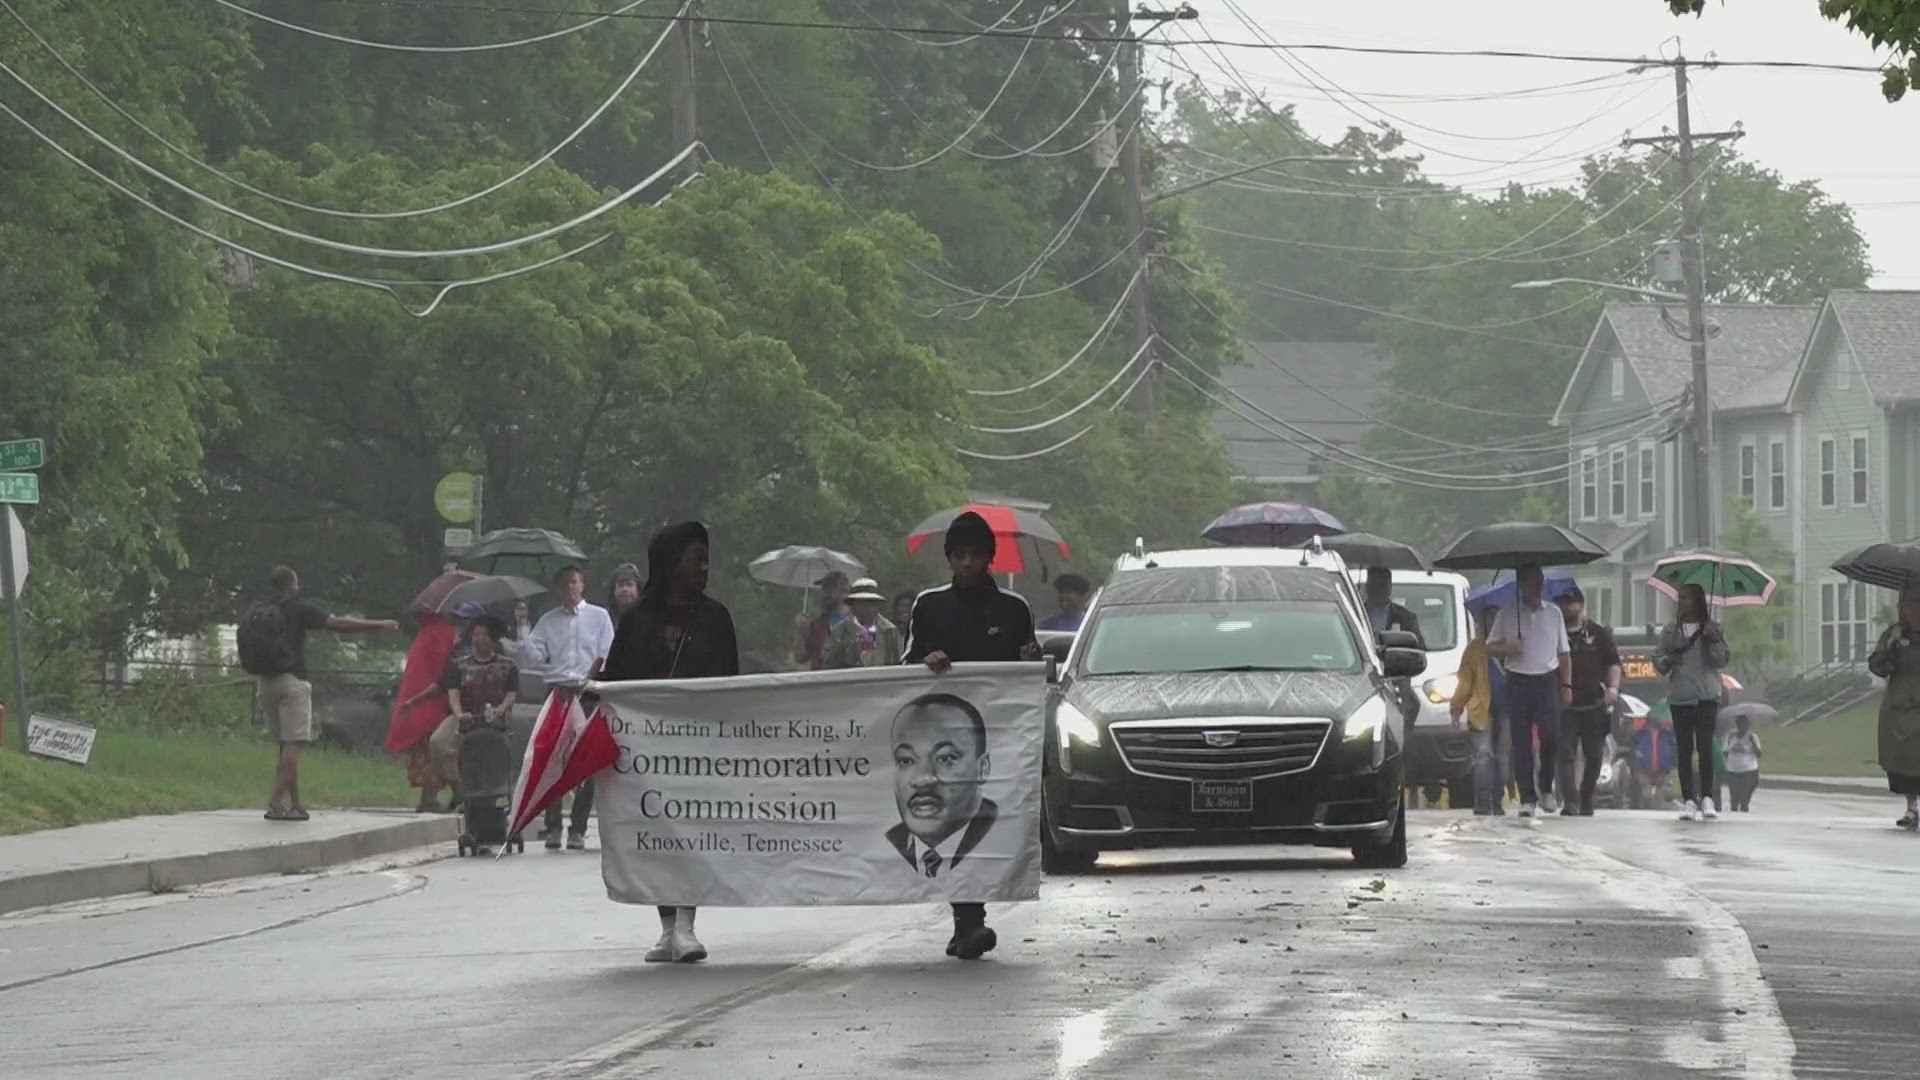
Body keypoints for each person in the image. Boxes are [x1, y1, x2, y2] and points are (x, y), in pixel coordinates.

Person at [903, 510, 1041, 960]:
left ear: (989, 558)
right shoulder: (929, 605)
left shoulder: (1014, 609)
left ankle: (969, 919)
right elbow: (906, 666)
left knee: (990, 822)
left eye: (975, 554)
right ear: (948, 559)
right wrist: (928, 659)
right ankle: (969, 920)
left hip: (999, 739)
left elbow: (1027, 671)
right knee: (955, 822)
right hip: (945, 744)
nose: (966, 563)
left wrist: (1030, 661)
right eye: (958, 555)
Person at [601, 521, 739, 963]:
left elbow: (732, 684)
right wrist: (594, 685)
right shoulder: (637, 619)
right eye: (694, 558)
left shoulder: (715, 618)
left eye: (705, 558)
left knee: (692, 832)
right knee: (656, 834)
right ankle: (665, 927)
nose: (704, 567)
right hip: (645, 753)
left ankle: (687, 924)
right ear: (669, 564)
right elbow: (617, 678)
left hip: (699, 752)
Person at [242, 566, 398, 822]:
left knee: (285, 749)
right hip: (292, 683)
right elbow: (338, 623)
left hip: (265, 682)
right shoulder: (300, 608)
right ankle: (275, 803)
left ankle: (296, 805)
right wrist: (378, 624)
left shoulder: (261, 610)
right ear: (292, 584)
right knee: (294, 746)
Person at [521, 565, 616, 849]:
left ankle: (578, 828)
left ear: (582, 584)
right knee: (552, 758)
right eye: (564, 583)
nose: (570, 588)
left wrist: (594, 679)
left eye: (574, 582)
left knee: (584, 761)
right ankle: (553, 827)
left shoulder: (599, 617)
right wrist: (522, 626)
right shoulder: (548, 621)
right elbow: (533, 658)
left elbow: (607, 653)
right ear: (558, 589)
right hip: (558, 692)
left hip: (586, 692)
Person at [1486, 565, 1571, 820]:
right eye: (1527, 582)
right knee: (1521, 743)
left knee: (1551, 736)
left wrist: (1566, 685)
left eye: (1537, 582)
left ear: (1542, 585)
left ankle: (1546, 786)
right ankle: (1527, 796)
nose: (1532, 587)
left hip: (1546, 680)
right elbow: (1490, 646)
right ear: (1521, 585)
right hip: (1518, 680)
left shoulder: (1554, 613)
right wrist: (1509, 646)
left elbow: (1564, 654)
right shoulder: (1507, 613)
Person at [886, 693, 999, 874]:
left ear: (983, 768)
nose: (922, 779)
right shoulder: (883, 847)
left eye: (945, 758)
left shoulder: (1004, 837)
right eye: (906, 761)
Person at [1655, 582, 1731, 822]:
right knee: (1684, 749)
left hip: (1707, 695)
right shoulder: (1670, 631)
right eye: (1681, 598)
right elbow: (1658, 662)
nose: (1683, 603)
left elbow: (1721, 660)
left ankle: (1707, 797)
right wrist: (1669, 659)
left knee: (1705, 746)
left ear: (1698, 601)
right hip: (1680, 695)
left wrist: (1713, 639)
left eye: (1688, 598)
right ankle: (1689, 799)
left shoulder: (1713, 628)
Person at [1555, 587, 1621, 817]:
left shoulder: (1598, 633)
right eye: (1562, 603)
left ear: (1581, 604)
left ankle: (1586, 797)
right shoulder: (1555, 632)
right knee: (1566, 755)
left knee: (1594, 755)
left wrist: (1613, 688)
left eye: (1571, 602)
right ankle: (1570, 801)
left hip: (1594, 703)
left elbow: (1613, 662)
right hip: (1564, 705)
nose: (1567, 607)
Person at [389, 612, 459, 813]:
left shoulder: (425, 634)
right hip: (432, 703)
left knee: (430, 752)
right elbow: (444, 673)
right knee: (436, 751)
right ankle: (439, 797)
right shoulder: (443, 634)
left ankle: (429, 798)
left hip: (416, 702)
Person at [1868, 585, 1920, 830]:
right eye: (1909, 604)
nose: (1915, 609)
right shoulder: (1894, 635)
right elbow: (1878, 667)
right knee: (1905, 757)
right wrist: (1892, 646)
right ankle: (1912, 807)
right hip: (1902, 704)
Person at [1450, 605, 1507, 815]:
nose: (1493, 623)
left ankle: (1497, 802)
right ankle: (1482, 804)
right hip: (1481, 711)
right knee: (1483, 757)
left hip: (1507, 710)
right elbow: (1465, 681)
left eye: (1497, 619)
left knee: (1503, 758)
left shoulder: (1510, 645)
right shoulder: (1475, 649)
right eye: (1489, 619)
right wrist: (1456, 708)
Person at [823, 577, 903, 668]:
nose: (868, 608)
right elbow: (829, 665)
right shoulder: (839, 631)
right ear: (853, 605)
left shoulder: (890, 631)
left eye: (872, 603)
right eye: (862, 603)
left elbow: (897, 664)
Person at [793, 570, 854, 670]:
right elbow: (800, 658)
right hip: (821, 680)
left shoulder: (857, 621)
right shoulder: (817, 624)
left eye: (831, 588)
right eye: (824, 588)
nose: (826, 593)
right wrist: (800, 632)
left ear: (845, 590)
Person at [1362, 566, 1424, 646]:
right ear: (1367, 586)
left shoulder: (1406, 618)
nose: (1378, 589)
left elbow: (1418, 647)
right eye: (1374, 584)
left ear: (1390, 587)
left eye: (1382, 584)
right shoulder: (1355, 613)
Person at [1723, 714, 1762, 812]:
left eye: (1745, 725)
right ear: (1737, 725)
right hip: (1733, 771)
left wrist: (1753, 743)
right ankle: (1734, 816)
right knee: (1734, 799)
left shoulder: (1752, 736)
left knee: (1745, 799)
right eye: (1740, 725)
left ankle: (1744, 810)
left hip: (1749, 771)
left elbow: (1759, 754)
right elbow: (1725, 752)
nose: (1743, 728)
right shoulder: (1730, 736)